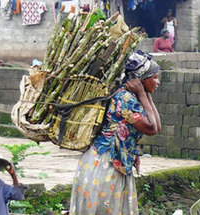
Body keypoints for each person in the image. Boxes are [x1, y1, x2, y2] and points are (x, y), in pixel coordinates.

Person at [69, 50, 161, 215]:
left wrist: (146, 94)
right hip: (106, 162)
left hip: (115, 162)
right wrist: (142, 93)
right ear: (141, 79)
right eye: (155, 77)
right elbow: (151, 128)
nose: (158, 82)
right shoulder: (125, 99)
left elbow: (157, 127)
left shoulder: (134, 97)